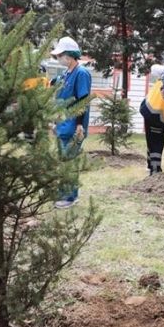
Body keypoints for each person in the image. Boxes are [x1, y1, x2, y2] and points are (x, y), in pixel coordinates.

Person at [50, 36, 92, 209]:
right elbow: (59, 95)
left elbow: (83, 100)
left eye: (60, 55)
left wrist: (80, 125)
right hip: (63, 124)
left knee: (69, 161)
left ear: (69, 55)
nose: (58, 58)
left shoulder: (81, 73)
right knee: (63, 160)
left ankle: (69, 197)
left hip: (74, 125)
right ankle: (64, 193)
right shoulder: (66, 74)